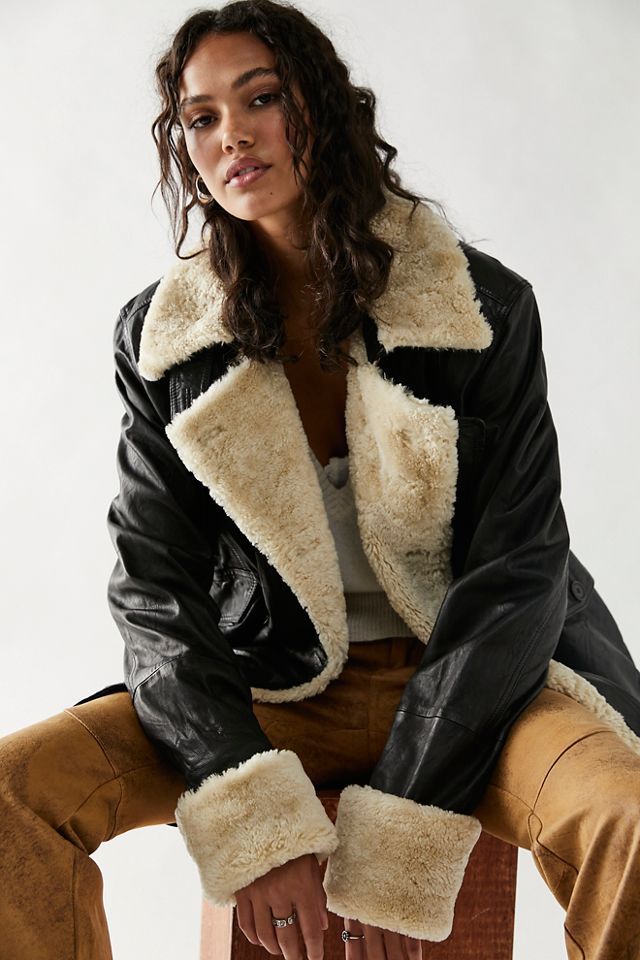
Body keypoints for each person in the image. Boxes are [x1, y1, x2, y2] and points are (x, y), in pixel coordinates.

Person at [2, 2, 640, 958]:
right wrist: (252, 815)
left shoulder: (481, 308)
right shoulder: (164, 339)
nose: (232, 135)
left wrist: (402, 831)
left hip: (472, 687)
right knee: (12, 796)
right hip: (267, 688)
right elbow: (154, 587)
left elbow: (519, 570)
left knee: (630, 815)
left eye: (261, 98)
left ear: (324, 109)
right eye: (202, 117)